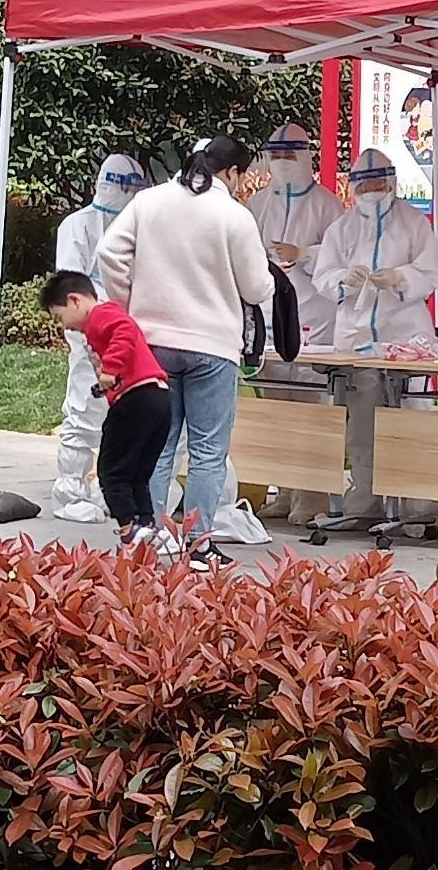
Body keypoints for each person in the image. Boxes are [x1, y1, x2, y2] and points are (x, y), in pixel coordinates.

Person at [96, 135, 273, 570]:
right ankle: (197, 545)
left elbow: (109, 252)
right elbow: (255, 287)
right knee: (208, 449)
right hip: (213, 347)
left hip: (153, 344)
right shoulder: (234, 215)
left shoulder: (150, 202)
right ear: (230, 173)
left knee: (158, 445)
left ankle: (149, 538)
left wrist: (127, 307)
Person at [312, 147, 438, 526]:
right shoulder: (342, 228)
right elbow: (323, 276)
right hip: (356, 337)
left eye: (378, 184)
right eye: (364, 185)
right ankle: (365, 501)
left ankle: (417, 505)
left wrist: (401, 279)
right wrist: (342, 280)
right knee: (361, 427)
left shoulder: (414, 224)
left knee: (412, 422)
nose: (371, 191)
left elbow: (430, 274)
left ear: (392, 183)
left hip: (405, 336)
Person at [244, 122, 343, 527]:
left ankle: (314, 494)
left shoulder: (327, 205)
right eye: (277, 155)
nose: (283, 162)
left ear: (305, 156)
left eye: (291, 155)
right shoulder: (258, 204)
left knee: (311, 409)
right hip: (268, 313)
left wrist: (303, 253)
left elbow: (340, 255)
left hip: (313, 316)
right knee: (277, 409)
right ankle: (284, 489)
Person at [40, 271, 171, 550]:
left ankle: (129, 528)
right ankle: (146, 525)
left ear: (74, 300)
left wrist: (110, 370)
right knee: (137, 473)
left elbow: (126, 331)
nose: (66, 328)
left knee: (111, 472)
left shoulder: (101, 316)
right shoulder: (101, 321)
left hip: (136, 398)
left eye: (61, 317)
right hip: (158, 398)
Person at [51, 153, 147, 521]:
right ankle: (70, 489)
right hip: (91, 336)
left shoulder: (135, 228)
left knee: (123, 418)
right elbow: (72, 285)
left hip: (125, 335)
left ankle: (107, 487)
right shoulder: (78, 225)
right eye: (124, 186)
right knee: (83, 410)